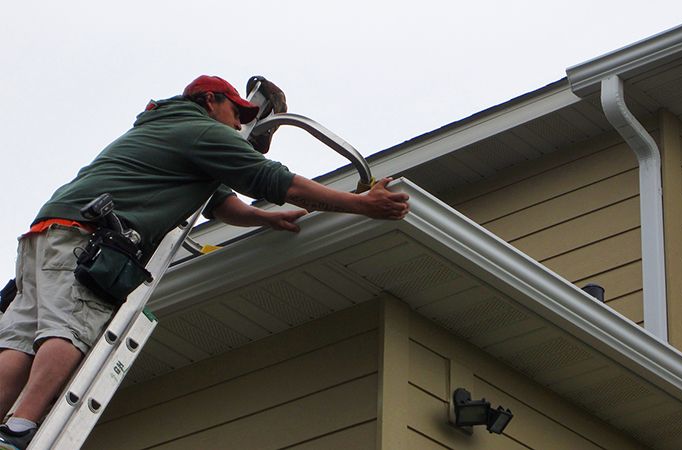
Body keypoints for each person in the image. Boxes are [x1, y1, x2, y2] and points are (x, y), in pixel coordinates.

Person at [0, 75, 409, 449]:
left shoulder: (165, 129)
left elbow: (216, 202)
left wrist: (263, 217)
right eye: (237, 114)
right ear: (210, 101)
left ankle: (7, 424)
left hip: (48, 233)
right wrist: (361, 205)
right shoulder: (202, 130)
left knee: (21, 340)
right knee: (70, 327)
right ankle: (20, 428)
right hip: (88, 236)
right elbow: (275, 180)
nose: (238, 127)